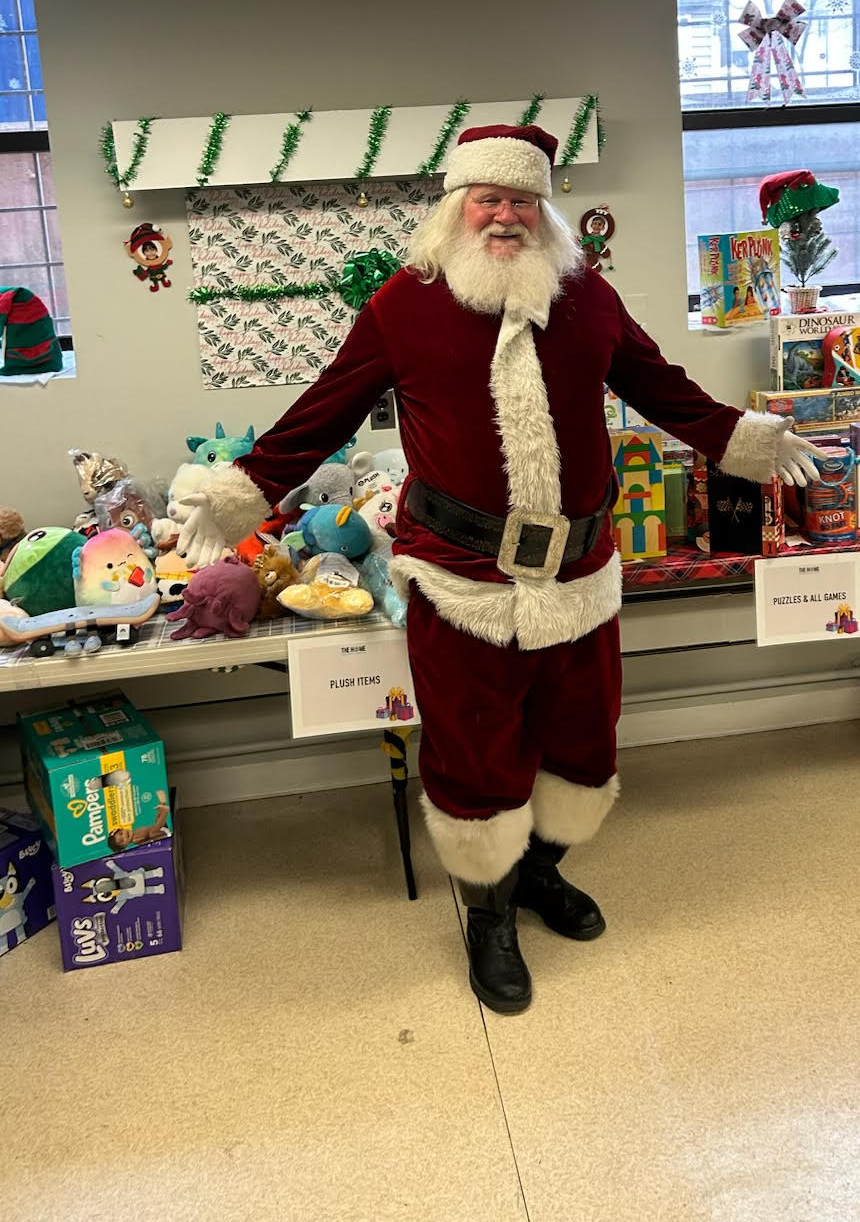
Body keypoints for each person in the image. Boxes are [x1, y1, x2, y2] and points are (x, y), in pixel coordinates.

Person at [171, 123, 822, 1014]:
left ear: (543, 210)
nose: (506, 216)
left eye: (522, 200)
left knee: (584, 744)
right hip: (459, 580)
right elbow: (324, 409)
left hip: (580, 576)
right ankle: (489, 914)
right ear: (457, 206)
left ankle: (541, 872)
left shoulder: (588, 297)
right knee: (475, 755)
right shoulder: (404, 304)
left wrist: (744, 438)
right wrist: (242, 491)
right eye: (489, 199)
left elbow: (660, 385)